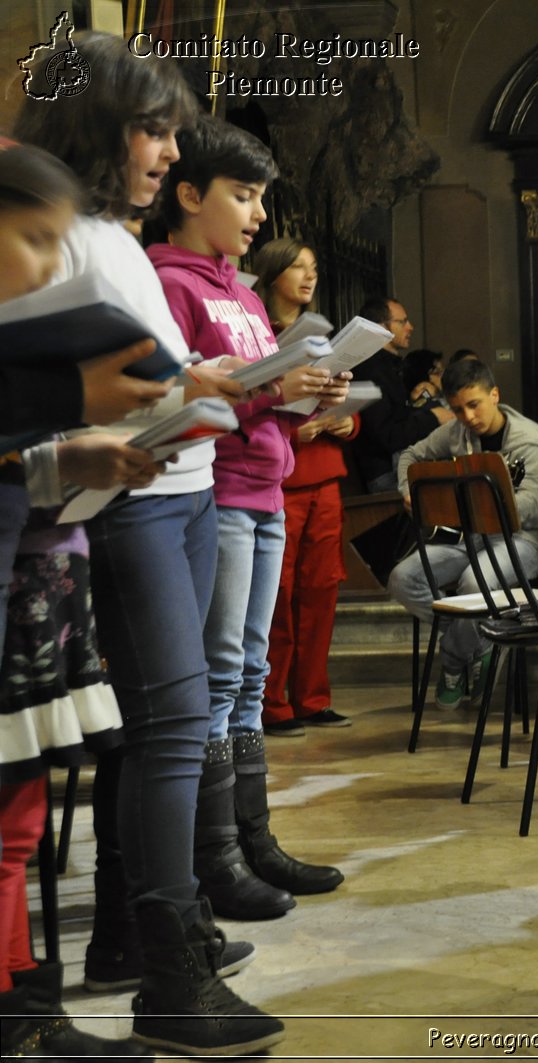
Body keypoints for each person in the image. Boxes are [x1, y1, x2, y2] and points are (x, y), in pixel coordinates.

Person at [15, 30, 285, 1053]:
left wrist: (198, 394)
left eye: (171, 132)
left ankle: (142, 933)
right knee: (173, 722)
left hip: (186, 486)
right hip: (127, 503)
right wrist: (187, 391)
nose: (167, 151)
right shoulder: (60, 239)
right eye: (152, 130)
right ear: (97, 128)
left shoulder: (113, 237)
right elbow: (58, 395)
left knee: (166, 724)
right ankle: (169, 976)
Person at [149, 115, 348, 923]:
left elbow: (258, 389)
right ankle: (218, 857)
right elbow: (186, 396)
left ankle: (254, 836)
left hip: (269, 486)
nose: (259, 213)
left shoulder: (237, 288)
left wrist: (312, 393)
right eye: (244, 195)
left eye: (262, 196)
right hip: (219, 490)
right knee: (222, 669)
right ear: (189, 194)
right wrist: (271, 390)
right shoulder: (172, 280)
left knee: (252, 669)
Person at [0, 139, 163, 1063]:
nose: (47, 261)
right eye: (32, 237)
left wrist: (61, 458)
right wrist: (64, 400)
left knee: (19, 820)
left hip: (33, 575)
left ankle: (25, 1011)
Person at [387, 359, 538, 709]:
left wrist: (480, 507)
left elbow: (533, 504)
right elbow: (411, 456)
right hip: (467, 538)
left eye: (474, 405)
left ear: (494, 395)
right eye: (458, 409)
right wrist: (408, 492)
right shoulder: (457, 432)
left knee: (473, 584)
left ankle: (452, 659)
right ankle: (481, 639)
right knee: (403, 578)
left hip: (520, 540)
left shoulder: (528, 440)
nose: (468, 417)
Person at [255, 240, 359, 736]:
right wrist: (300, 430)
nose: (309, 275)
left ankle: (312, 698)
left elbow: (338, 402)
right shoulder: (257, 334)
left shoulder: (322, 337)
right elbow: (256, 410)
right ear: (273, 273)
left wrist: (344, 424)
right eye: (298, 266)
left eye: (314, 267)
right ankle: (272, 704)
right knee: (278, 595)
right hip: (284, 478)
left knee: (321, 591)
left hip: (326, 477)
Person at [348, 295, 447, 490]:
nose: (410, 327)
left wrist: (424, 403)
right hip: (385, 472)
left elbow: (399, 415)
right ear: (381, 327)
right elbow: (387, 435)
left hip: (397, 463)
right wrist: (432, 417)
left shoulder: (389, 366)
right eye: (402, 322)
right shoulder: (370, 370)